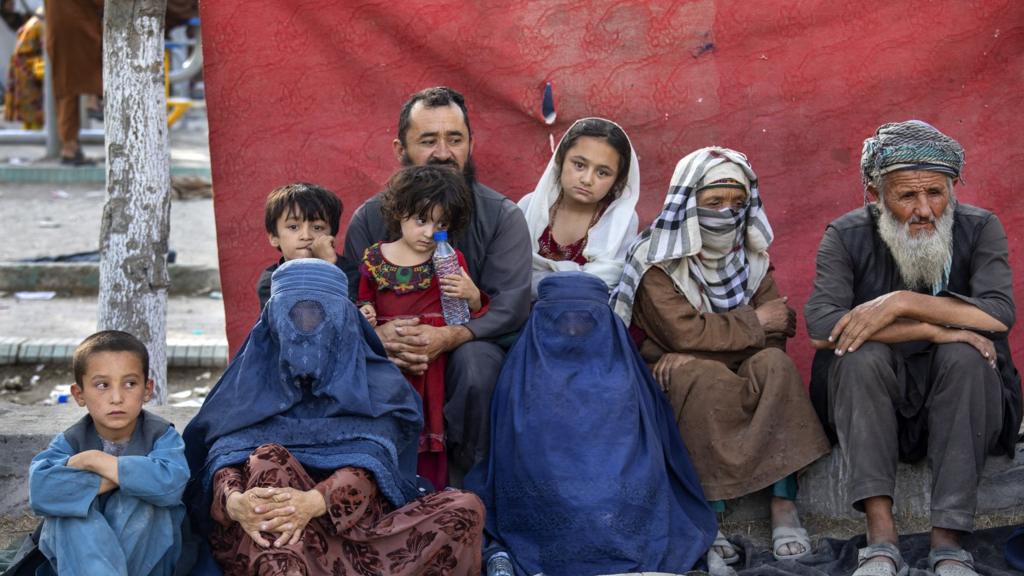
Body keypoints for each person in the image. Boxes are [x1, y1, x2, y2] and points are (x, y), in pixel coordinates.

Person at [804, 120, 1019, 576]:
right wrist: (938, 328)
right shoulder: (845, 235)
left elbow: (998, 315)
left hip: (964, 396)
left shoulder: (980, 228)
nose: (925, 210)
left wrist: (900, 303)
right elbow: (822, 328)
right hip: (872, 395)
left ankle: (949, 542)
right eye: (907, 196)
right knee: (859, 356)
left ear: (954, 188)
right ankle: (881, 540)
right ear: (875, 193)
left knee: (968, 355)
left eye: (937, 193)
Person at [183, 258, 485, 576]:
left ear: (343, 320)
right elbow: (223, 459)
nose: (303, 330)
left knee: (465, 509)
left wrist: (316, 501)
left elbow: (374, 467)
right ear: (273, 320)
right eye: (293, 315)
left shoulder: (377, 387)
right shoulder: (248, 385)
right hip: (278, 535)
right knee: (266, 460)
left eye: (317, 315)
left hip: (361, 530)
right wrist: (235, 502)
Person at [612, 147, 831, 565]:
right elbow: (682, 331)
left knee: (774, 365)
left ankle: (783, 502)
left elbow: (779, 326)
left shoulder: (750, 256)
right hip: (674, 373)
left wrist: (721, 339)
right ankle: (707, 514)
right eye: (713, 203)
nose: (726, 213)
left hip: (724, 361)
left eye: (737, 203)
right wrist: (752, 324)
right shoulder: (656, 260)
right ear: (689, 203)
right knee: (701, 376)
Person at [468, 272, 716, 576]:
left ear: (605, 320)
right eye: (561, 319)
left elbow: (643, 454)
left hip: (619, 501)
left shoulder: (627, 376)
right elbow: (517, 456)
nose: (572, 329)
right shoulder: (521, 377)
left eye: (584, 319)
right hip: (543, 498)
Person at [343, 86, 531, 486]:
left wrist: (448, 336)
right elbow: (349, 301)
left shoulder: (502, 217)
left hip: (469, 348)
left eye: (455, 139)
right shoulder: (370, 220)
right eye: (428, 141)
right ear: (400, 149)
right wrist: (378, 336)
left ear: (470, 145)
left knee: (476, 365)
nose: (444, 153)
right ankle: (378, 484)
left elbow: (510, 306)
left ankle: (469, 492)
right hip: (391, 348)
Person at [357, 164, 487, 489]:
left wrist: (472, 296)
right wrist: (366, 312)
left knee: (431, 432)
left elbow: (467, 316)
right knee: (389, 429)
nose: (430, 233)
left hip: (431, 370)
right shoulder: (374, 259)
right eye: (421, 220)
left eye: (440, 224)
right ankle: (389, 495)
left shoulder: (449, 259)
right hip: (388, 368)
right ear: (399, 213)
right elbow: (361, 300)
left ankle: (431, 501)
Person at [28, 330, 189, 576]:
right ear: (79, 394)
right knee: (69, 514)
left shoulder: (161, 436)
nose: (117, 398)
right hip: (79, 559)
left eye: (130, 384)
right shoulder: (72, 440)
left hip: (146, 559)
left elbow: (171, 485)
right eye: (102, 385)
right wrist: (128, 478)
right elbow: (41, 490)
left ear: (147, 390)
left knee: (139, 503)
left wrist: (96, 461)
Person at [517, 117, 639, 296]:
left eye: (602, 172)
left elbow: (607, 281)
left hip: (587, 316)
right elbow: (513, 272)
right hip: (525, 316)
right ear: (560, 160)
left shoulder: (620, 220)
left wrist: (547, 281)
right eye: (579, 165)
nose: (587, 179)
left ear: (617, 180)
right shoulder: (530, 206)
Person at [256, 181, 358, 310]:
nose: (306, 236)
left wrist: (328, 267)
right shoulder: (271, 281)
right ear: (274, 238)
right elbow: (302, 322)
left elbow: (341, 316)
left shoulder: (348, 273)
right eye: (293, 227)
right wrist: (326, 267)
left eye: (317, 227)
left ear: (331, 236)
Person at [42, 0, 102, 165]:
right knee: (72, 83)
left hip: (59, 28)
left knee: (66, 87)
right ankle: (94, 99)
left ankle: (69, 146)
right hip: (79, 27)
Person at [4, 7, 44, 130]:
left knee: (26, 104)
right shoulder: (40, 26)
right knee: (33, 103)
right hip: (30, 66)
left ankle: (28, 130)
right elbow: (45, 48)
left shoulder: (31, 22)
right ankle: (34, 132)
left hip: (22, 66)